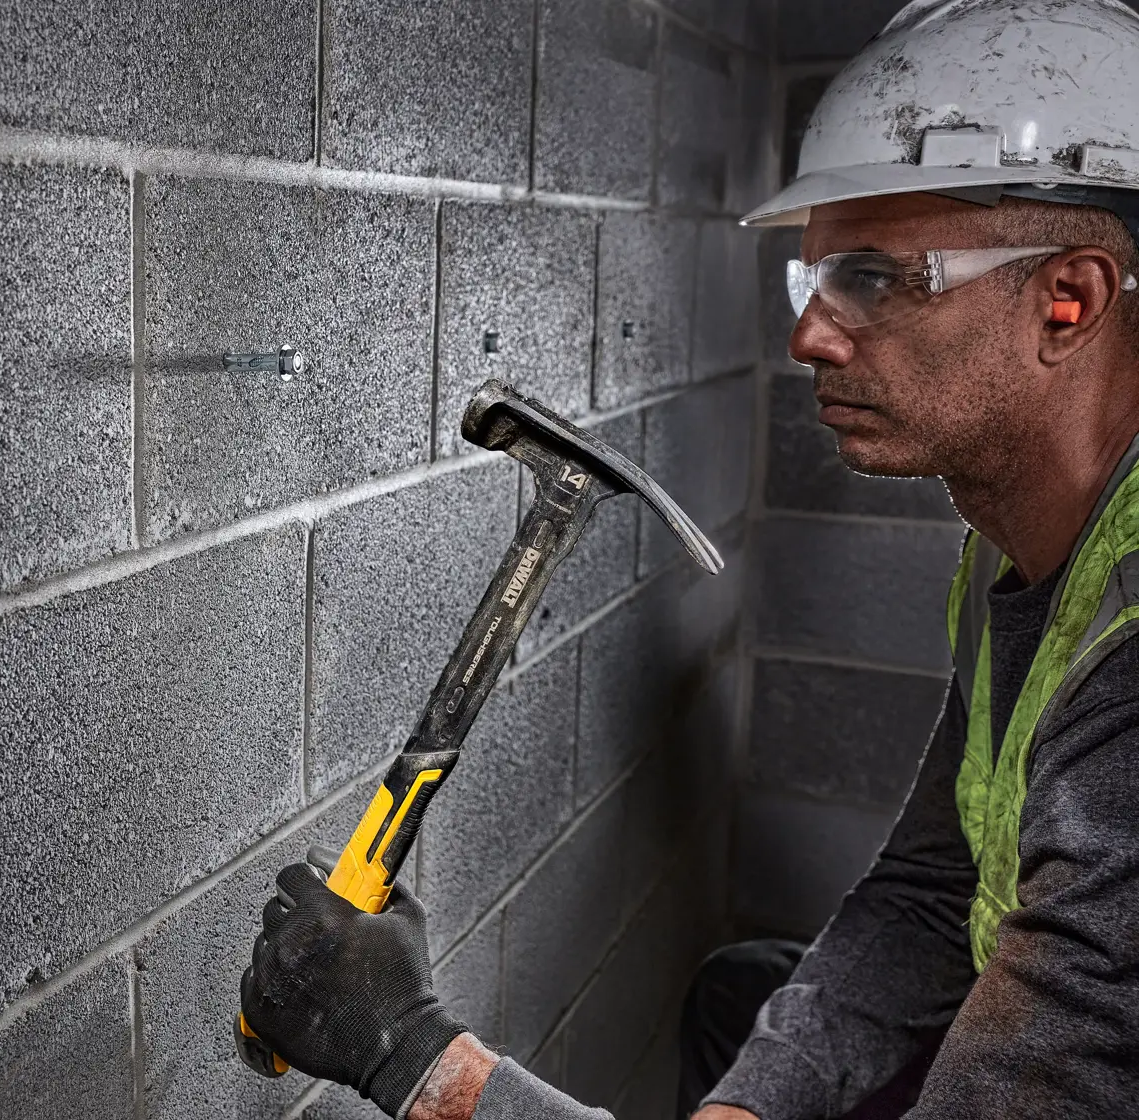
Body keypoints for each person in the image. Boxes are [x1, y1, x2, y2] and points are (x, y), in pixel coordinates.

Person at [237, 1, 1139, 1117]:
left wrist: (416, 1057)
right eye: (810, 282)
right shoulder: (1020, 547)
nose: (808, 334)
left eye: (873, 275)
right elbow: (932, 890)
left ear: (1070, 301)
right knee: (745, 1006)